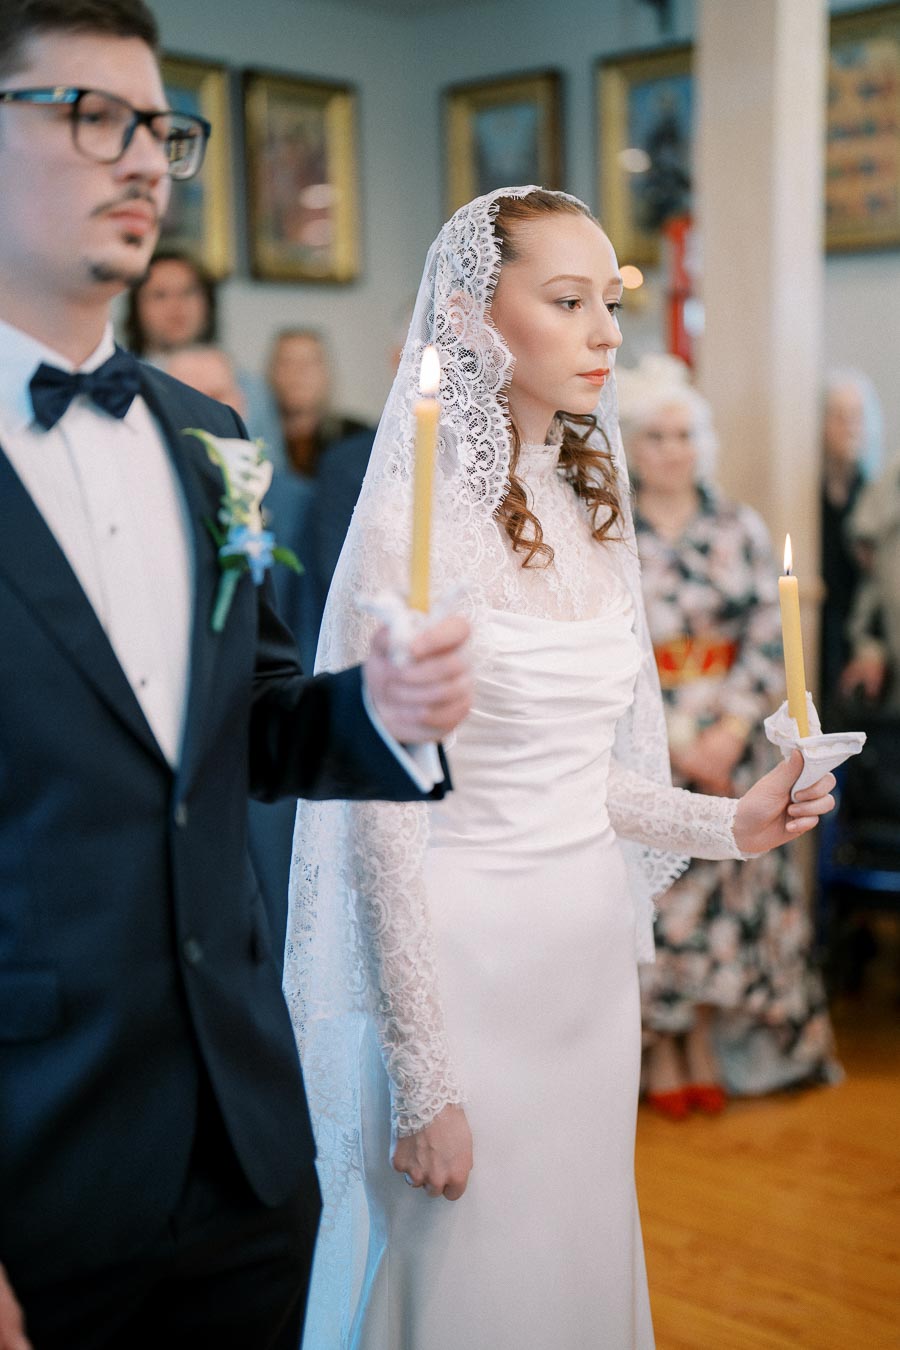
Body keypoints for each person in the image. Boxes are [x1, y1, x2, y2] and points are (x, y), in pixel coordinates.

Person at [284, 187, 836, 1349]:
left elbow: (586, 780)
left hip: (585, 982)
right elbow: (378, 824)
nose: (607, 335)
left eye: (612, 303)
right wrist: (424, 1080)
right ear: (478, 320)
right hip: (462, 972)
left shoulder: (588, 512)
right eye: (569, 303)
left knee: (576, 1274)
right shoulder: (411, 528)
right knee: (467, 1291)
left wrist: (728, 823)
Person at [0, 5, 473, 1349]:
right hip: (38, 1166)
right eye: (92, 115)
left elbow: (254, 729)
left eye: (163, 128)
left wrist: (378, 712)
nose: (145, 158)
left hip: (247, 1148)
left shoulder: (212, 442)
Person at [616, 354, 839, 1117]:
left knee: (729, 890)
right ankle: (662, 1048)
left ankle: (707, 1039)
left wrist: (732, 727)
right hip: (652, 736)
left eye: (684, 435)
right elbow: (615, 642)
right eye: (656, 436)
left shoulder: (737, 525)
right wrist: (677, 738)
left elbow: (770, 636)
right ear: (633, 444)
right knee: (665, 895)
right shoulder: (613, 528)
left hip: (733, 742)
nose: (672, 450)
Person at [124, 246, 283, 449]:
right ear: (136, 307)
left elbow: (275, 472)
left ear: (207, 301)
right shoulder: (118, 384)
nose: (176, 305)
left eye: (188, 292)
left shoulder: (250, 387)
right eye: (160, 295)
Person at [819, 369, 884, 718]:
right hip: (818, 626)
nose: (849, 426)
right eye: (839, 416)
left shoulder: (876, 497)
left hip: (858, 632)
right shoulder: (808, 499)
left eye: (857, 416)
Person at [266, 327, 372, 479]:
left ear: (327, 373)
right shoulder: (253, 439)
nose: (298, 373)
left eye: (309, 363)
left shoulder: (357, 438)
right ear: (271, 372)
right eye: (287, 362)